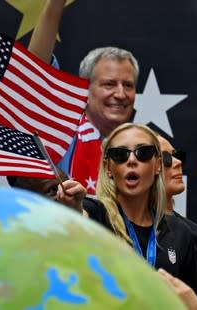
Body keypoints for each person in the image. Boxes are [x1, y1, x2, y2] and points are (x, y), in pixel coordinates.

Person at [57, 123, 197, 293]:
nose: (131, 160)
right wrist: (72, 209)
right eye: (120, 154)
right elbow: (80, 218)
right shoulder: (96, 213)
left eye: (143, 153)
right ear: (108, 168)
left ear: (157, 166)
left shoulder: (181, 233)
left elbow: (189, 301)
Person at [28, 0, 139, 194]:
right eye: (109, 84)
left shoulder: (143, 148)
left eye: (128, 85)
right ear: (85, 90)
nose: (121, 94)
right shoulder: (62, 132)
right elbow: (35, 70)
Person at [157, 135, 197, 291]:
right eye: (166, 158)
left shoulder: (193, 234)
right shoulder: (111, 221)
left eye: (177, 155)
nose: (178, 162)